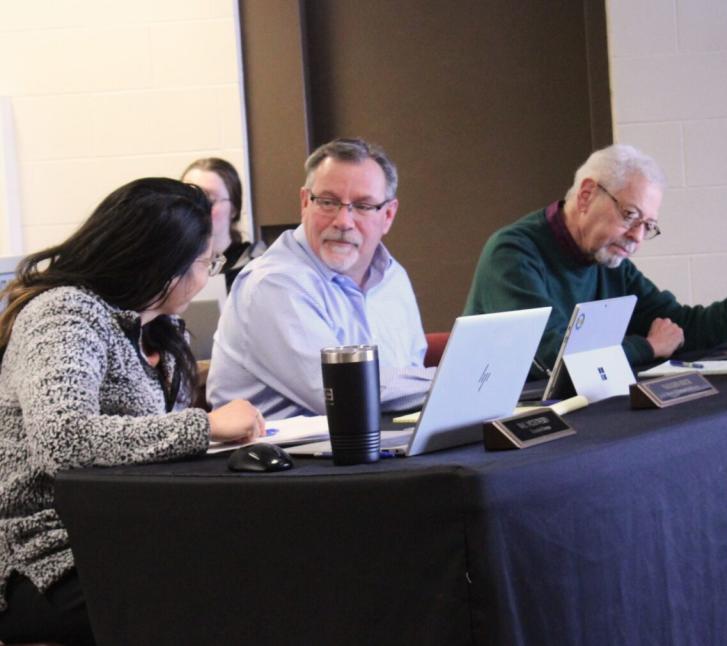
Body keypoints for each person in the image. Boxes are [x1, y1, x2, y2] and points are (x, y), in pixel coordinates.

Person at [0, 178, 266, 645]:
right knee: (229, 592)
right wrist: (203, 426)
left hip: (128, 534)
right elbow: (62, 440)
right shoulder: (63, 314)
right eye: (206, 262)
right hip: (42, 556)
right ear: (161, 265)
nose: (207, 275)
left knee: (263, 564)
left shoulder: (164, 333)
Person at [463, 144, 727, 374]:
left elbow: (685, 327)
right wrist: (648, 347)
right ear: (587, 195)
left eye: (648, 225)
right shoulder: (513, 254)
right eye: (630, 216)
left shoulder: (608, 260)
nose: (637, 236)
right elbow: (554, 360)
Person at [207, 138, 433, 419]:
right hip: (287, 457)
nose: (343, 221)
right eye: (328, 202)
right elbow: (341, 393)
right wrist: (447, 381)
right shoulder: (272, 283)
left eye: (363, 206)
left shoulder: (393, 278)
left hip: (378, 447)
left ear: (388, 215)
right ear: (305, 202)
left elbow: (410, 375)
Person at [181, 157, 263, 289]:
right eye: (188, 198)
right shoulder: (170, 265)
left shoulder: (256, 268)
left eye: (210, 201)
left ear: (234, 209)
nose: (197, 208)